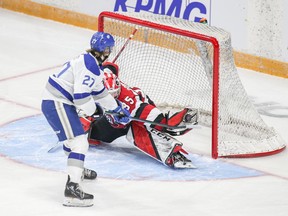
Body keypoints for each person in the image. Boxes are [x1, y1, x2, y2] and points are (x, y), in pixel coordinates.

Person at [41, 32, 130, 207]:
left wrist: (116, 108)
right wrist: (95, 110)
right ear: (105, 50)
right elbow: (81, 97)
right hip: (57, 102)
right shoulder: (90, 66)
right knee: (79, 143)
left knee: (74, 140)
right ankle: (72, 189)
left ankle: (77, 170)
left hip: (59, 101)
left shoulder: (91, 63)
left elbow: (100, 93)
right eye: (109, 49)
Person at [80, 62, 199, 169]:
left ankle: (168, 151)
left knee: (136, 130)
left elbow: (158, 120)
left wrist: (174, 123)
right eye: (110, 94)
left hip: (135, 110)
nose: (113, 96)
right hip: (115, 115)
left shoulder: (130, 103)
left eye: (115, 93)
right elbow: (111, 67)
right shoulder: (99, 82)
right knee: (92, 131)